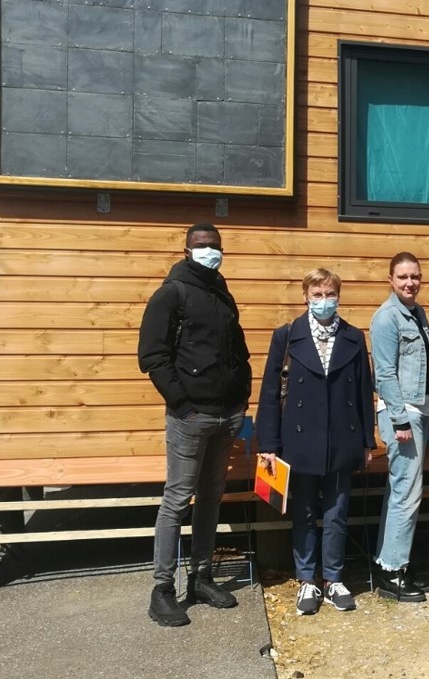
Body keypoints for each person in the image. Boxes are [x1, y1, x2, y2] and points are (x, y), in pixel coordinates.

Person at [137, 222, 252, 627]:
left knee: (211, 499)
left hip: (226, 416)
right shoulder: (172, 293)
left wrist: (242, 395)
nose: (210, 251)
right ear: (187, 250)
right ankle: (162, 589)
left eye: (215, 246)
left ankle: (201, 578)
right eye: (202, 246)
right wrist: (182, 405)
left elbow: (237, 349)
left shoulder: (221, 290)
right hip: (191, 417)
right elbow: (152, 355)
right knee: (177, 500)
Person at [256, 269, 375, 617]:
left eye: (330, 293)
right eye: (317, 294)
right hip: (299, 438)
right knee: (304, 511)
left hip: (342, 437)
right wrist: (268, 442)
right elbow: (268, 392)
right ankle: (307, 578)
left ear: (339, 296)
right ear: (305, 296)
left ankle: (334, 578)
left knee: (337, 513)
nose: (324, 300)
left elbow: (363, 391)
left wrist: (367, 439)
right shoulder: (287, 336)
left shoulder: (354, 337)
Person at [369, 252, 429, 603]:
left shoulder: (417, 313)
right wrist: (399, 419)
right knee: (407, 494)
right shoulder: (386, 319)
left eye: (415, 276)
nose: (410, 283)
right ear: (390, 280)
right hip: (402, 413)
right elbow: (385, 373)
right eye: (403, 277)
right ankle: (392, 573)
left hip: (417, 410)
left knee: (402, 490)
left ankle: (391, 562)